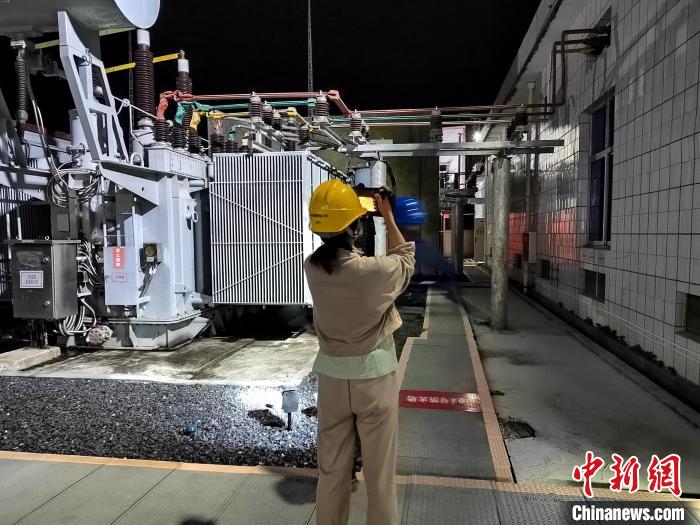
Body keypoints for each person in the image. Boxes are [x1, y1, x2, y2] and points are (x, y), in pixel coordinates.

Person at [304, 179, 415, 525]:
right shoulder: (373, 271)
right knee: (380, 475)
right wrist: (387, 216)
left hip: (333, 380)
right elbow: (405, 257)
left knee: (331, 470)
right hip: (374, 378)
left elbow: (340, 259)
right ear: (355, 227)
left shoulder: (312, 267)